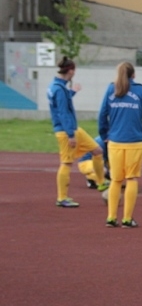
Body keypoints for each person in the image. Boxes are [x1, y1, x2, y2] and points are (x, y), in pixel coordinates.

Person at [47, 57, 108, 207]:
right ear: (70, 71)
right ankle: (62, 198)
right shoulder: (59, 89)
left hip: (73, 128)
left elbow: (61, 102)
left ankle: (101, 182)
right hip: (66, 131)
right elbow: (62, 112)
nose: (74, 74)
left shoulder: (56, 86)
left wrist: (72, 92)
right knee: (66, 163)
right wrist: (70, 134)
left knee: (97, 151)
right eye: (74, 71)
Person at [99, 61, 142, 228]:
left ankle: (111, 217)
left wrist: (104, 135)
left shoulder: (111, 89)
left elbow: (102, 115)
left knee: (116, 180)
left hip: (115, 141)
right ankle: (127, 219)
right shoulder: (139, 90)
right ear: (133, 74)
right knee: (131, 179)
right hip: (135, 141)